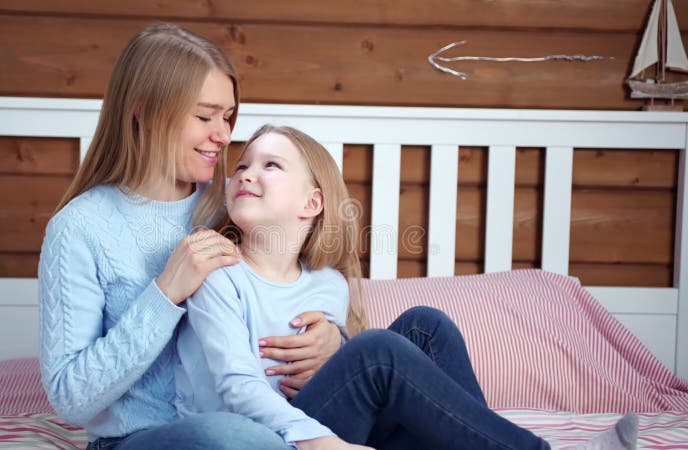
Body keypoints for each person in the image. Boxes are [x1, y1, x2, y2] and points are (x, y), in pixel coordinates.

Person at [176, 124, 640, 450]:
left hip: (344, 432)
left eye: (270, 164)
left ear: (311, 202)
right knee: (377, 350)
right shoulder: (219, 274)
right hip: (283, 440)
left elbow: (349, 385)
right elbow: (235, 388)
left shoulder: (329, 287)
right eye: (241, 166)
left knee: (425, 326)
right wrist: (322, 440)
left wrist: (339, 347)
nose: (246, 173)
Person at [37, 23, 344, 450]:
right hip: (143, 438)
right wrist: (165, 294)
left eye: (227, 116)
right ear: (144, 111)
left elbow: (305, 278)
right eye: (204, 116)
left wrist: (333, 340)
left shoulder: (237, 201)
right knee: (226, 434)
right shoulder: (80, 228)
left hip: (264, 423)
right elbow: (70, 399)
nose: (224, 135)